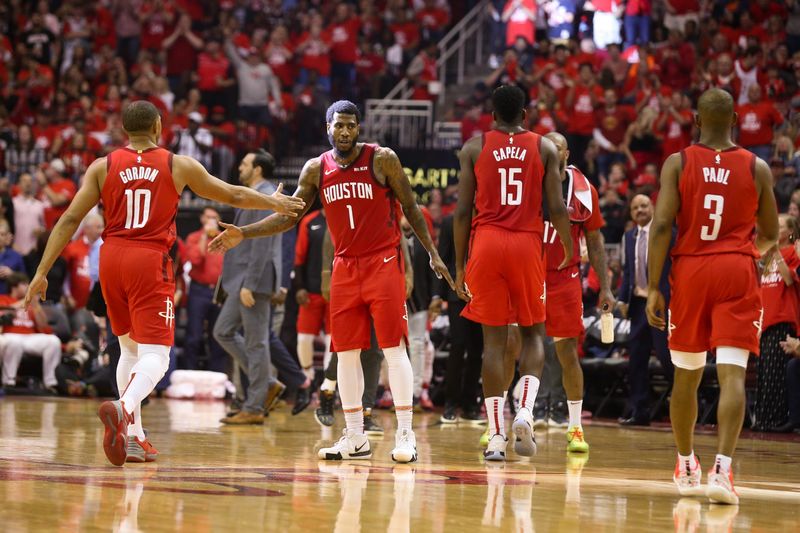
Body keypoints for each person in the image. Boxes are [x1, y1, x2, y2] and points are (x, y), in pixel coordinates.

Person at [24, 100, 306, 467]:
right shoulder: (177, 164)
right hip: (148, 258)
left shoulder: (101, 166)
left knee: (128, 350)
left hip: (111, 257)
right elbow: (233, 194)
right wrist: (274, 203)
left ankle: (135, 438)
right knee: (157, 353)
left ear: (125, 130)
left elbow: (69, 219)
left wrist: (41, 271)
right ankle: (124, 409)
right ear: (158, 126)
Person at [210, 100, 452, 464]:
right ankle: (354, 435)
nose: (345, 132)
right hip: (345, 266)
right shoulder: (315, 169)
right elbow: (289, 217)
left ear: (359, 128)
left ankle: (405, 432)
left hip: (383, 261)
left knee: (392, 348)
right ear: (327, 127)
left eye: (351, 126)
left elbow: (412, 209)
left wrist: (432, 253)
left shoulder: (382, 159)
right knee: (345, 353)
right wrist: (243, 233)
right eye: (338, 125)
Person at [646, 88, 779, 505]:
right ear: (737, 119)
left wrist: (653, 285)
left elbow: (662, 224)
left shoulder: (678, 161)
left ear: (695, 120)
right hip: (737, 269)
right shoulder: (757, 167)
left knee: (686, 375)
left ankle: (686, 462)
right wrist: (749, 258)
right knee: (733, 374)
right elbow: (773, 234)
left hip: (692, 271)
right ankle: (723, 471)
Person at [453, 84, 573, 461]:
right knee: (534, 332)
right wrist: (569, 247)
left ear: (492, 116)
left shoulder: (474, 147)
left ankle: (495, 436)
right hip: (525, 242)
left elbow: (461, 213)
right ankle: (525, 409)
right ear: (525, 115)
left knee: (493, 344)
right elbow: (556, 208)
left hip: (486, 243)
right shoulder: (544, 147)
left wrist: (459, 265)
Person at [539, 131, 614, 453]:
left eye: (556, 148)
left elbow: (595, 242)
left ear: (567, 153)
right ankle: (506, 420)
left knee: (567, 352)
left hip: (564, 277)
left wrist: (606, 286)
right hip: (527, 274)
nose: (551, 153)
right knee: (511, 346)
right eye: (546, 149)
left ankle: (575, 426)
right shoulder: (528, 184)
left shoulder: (584, 190)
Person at [214, 150, 295, 425]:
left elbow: (263, 243)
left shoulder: (267, 195)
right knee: (223, 331)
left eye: (245, 164)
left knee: (256, 341)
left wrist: (249, 284)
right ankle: (268, 383)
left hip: (254, 281)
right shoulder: (258, 193)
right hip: (241, 280)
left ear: (257, 169)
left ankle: (255, 405)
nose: (240, 167)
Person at [618, 194, 674, 426]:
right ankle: (640, 411)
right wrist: (622, 299)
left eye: (644, 206)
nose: (640, 210)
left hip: (662, 302)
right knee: (637, 360)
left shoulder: (666, 232)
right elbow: (628, 271)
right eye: (635, 208)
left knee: (666, 355)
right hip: (639, 304)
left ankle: (690, 404)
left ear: (652, 207)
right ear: (631, 213)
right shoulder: (629, 237)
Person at [0, 273, 62, 392]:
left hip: (30, 338)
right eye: (24, 284)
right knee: (14, 342)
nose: (28, 286)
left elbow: (43, 325)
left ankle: (51, 383)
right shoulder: (4, 299)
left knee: (53, 341)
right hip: (10, 335)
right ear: (14, 287)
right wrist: (26, 300)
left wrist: (36, 305)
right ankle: (9, 382)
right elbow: (5, 312)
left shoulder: (32, 303)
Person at [183, 207, 226, 372]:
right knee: (194, 335)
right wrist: (204, 236)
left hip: (219, 292)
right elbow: (195, 260)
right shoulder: (194, 237)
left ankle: (217, 377)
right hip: (198, 290)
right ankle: (189, 374)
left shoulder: (224, 239)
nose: (211, 221)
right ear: (202, 219)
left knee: (218, 337)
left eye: (215, 218)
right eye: (208, 217)